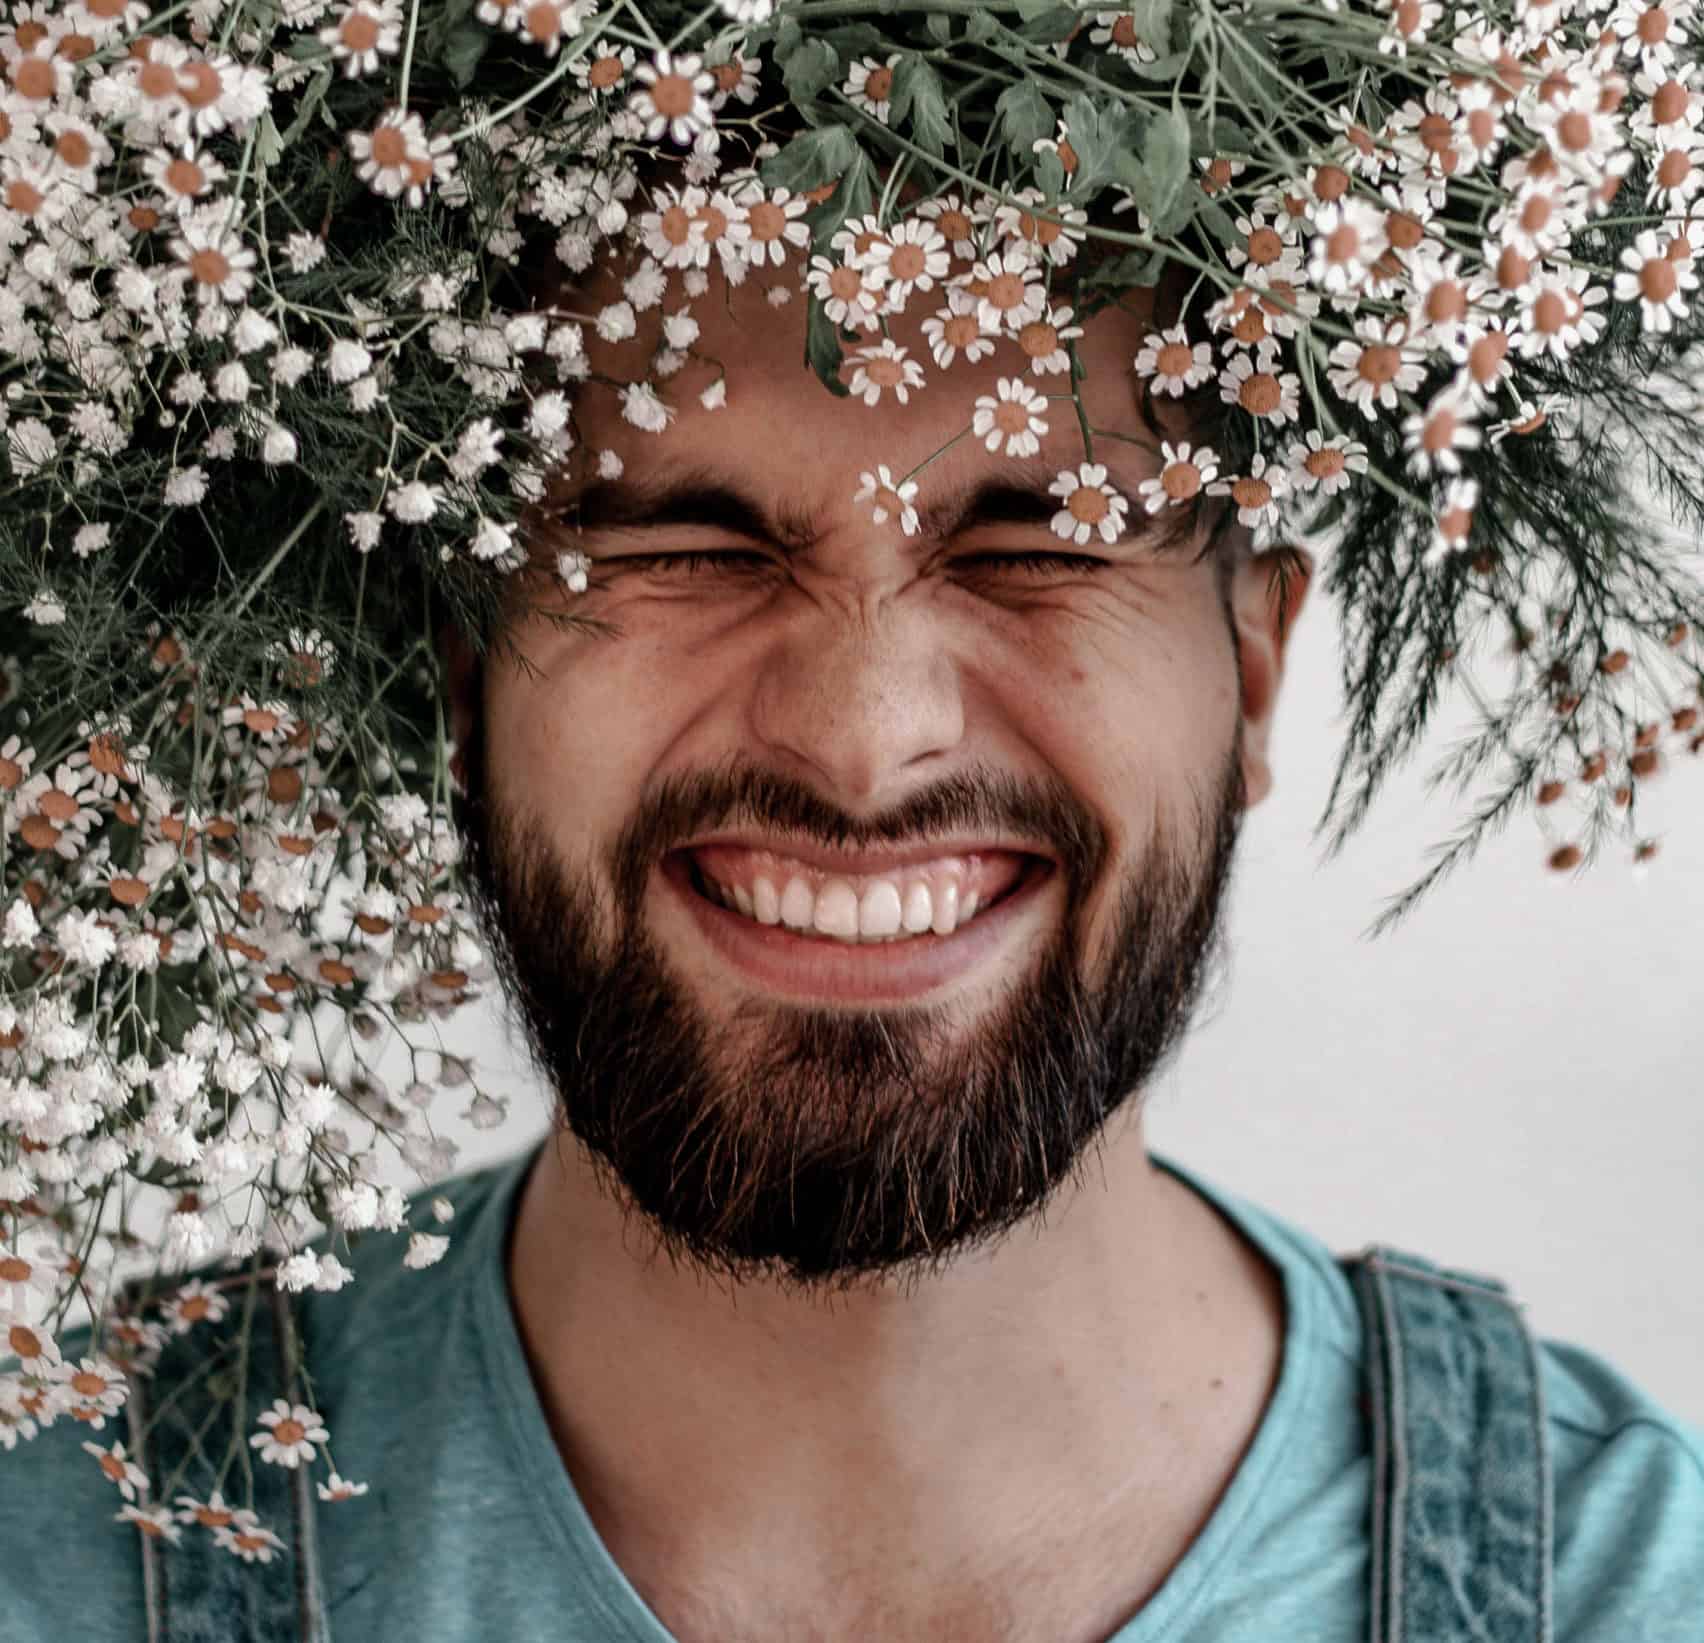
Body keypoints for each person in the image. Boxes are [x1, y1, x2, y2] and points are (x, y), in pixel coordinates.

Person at [6, 210, 1704, 1643]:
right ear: (460, 669)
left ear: (1253, 669)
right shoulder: (54, 1546)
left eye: (1039, 544)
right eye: (683, 542)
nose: (863, 735)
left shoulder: (1636, 1587)